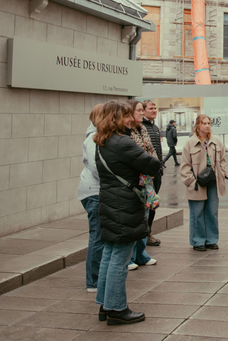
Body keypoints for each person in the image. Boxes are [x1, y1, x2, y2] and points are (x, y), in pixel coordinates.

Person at [94, 100, 161, 325]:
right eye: (126, 116)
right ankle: (117, 308)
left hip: (110, 203)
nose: (131, 119)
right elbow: (153, 164)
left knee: (110, 254)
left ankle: (105, 305)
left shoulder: (102, 141)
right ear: (115, 118)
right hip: (124, 205)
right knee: (119, 259)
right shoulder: (123, 142)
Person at [181, 114, 228, 251]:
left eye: (209, 123)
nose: (207, 126)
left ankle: (211, 239)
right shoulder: (190, 142)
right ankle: (198, 241)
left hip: (213, 180)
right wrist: (191, 181)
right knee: (197, 212)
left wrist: (222, 173)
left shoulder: (216, 141)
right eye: (204, 123)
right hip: (197, 182)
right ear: (198, 125)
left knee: (212, 211)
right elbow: (184, 165)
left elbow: (223, 159)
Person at [127, 100, 158, 269]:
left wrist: (154, 166)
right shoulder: (127, 132)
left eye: (141, 110)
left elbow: (151, 150)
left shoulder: (143, 129)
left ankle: (141, 254)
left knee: (145, 216)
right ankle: (130, 257)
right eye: (138, 110)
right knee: (137, 217)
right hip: (135, 180)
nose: (141, 113)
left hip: (147, 178)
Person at [77, 103, 104, 293]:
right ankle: (93, 281)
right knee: (97, 235)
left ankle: (96, 277)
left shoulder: (97, 137)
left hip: (97, 191)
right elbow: (97, 167)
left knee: (99, 235)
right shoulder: (93, 139)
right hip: (94, 192)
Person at [142, 100, 164, 247]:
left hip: (157, 172)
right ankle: (145, 234)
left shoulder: (155, 127)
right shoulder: (141, 128)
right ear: (143, 111)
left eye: (155, 108)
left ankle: (149, 232)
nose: (154, 110)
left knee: (153, 204)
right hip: (147, 174)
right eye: (151, 108)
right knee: (147, 205)